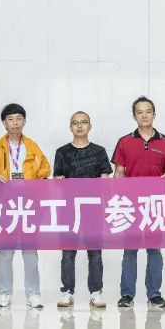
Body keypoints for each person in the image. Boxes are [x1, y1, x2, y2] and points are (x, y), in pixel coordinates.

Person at [0, 103, 51, 309]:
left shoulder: (33, 148)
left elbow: (44, 172)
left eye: (19, 118)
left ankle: (33, 293)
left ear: (24, 121)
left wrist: (39, 184)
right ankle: (4, 294)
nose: (15, 123)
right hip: (5, 207)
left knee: (30, 254)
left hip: (28, 206)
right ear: (4, 123)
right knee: (5, 254)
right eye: (10, 119)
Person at [113, 96, 165, 310]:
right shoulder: (124, 142)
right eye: (140, 112)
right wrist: (118, 198)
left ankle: (154, 294)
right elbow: (119, 173)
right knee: (130, 250)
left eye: (148, 111)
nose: (144, 115)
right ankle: (127, 294)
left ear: (154, 114)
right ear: (134, 116)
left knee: (154, 250)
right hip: (130, 205)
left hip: (155, 204)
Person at [53, 111, 113, 310]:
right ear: (70, 127)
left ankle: (96, 292)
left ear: (90, 126)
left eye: (83, 122)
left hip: (93, 210)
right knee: (68, 254)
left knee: (95, 254)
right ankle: (67, 292)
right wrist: (59, 181)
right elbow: (57, 180)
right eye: (75, 123)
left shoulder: (99, 151)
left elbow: (105, 179)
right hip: (69, 210)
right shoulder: (62, 152)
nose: (79, 126)